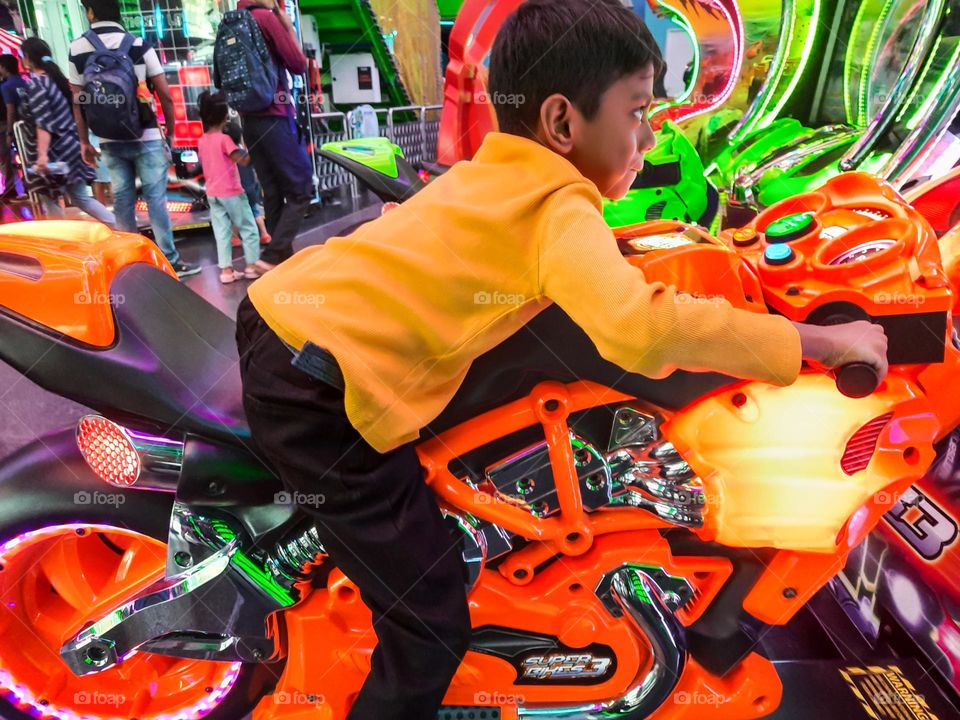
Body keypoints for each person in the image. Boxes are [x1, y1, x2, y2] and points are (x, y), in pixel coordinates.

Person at [235, 2, 889, 719]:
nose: (648, 134)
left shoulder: (503, 170)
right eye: (637, 110)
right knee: (428, 616)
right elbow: (638, 329)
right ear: (562, 123)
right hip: (311, 387)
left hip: (286, 318)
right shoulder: (558, 205)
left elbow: (593, 275)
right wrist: (818, 344)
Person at [67, 0, 200, 277]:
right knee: (156, 200)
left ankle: (131, 265)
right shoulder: (139, 44)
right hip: (146, 134)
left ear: (91, 12)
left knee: (123, 201)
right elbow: (164, 93)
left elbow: (77, 101)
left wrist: (83, 141)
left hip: (108, 138)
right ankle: (170, 260)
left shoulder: (77, 48)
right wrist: (172, 132)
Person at [232, 0, 311, 267]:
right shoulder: (266, 18)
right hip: (275, 117)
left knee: (273, 191)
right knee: (301, 188)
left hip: (249, 121)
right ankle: (272, 255)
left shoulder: (232, 21)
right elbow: (298, 64)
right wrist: (287, 27)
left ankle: (281, 265)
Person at [18, 38, 115, 225]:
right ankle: (120, 226)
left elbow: (43, 123)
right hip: (70, 147)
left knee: (51, 200)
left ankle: (62, 245)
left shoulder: (37, 85)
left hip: (54, 152)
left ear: (28, 58)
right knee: (80, 198)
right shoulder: (58, 80)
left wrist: (42, 156)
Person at [196, 90, 271, 284]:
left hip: (212, 193)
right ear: (224, 117)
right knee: (248, 228)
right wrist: (257, 148)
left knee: (222, 232)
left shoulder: (202, 141)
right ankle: (252, 267)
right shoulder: (224, 140)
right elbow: (243, 161)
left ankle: (226, 272)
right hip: (232, 193)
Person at [0, 53, 25, 198]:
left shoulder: (6, 86)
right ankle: (29, 186)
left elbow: (10, 109)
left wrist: (9, 132)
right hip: (25, 126)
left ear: (4, 67)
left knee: (4, 158)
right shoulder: (23, 82)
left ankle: (10, 190)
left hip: (8, 126)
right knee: (25, 156)